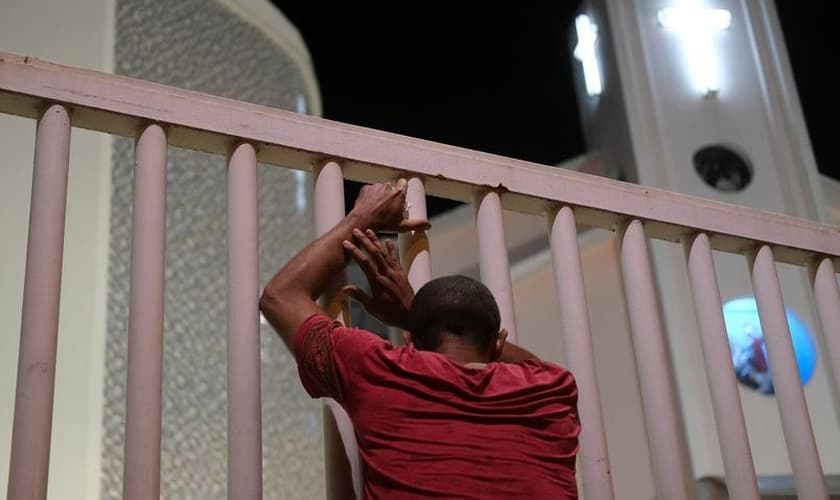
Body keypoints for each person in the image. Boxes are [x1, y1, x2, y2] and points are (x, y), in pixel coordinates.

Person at [260, 179, 580, 499]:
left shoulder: (380, 371)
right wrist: (415, 313)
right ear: (499, 343)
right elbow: (531, 365)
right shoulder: (552, 393)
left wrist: (361, 219)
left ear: (411, 340)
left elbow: (280, 296)